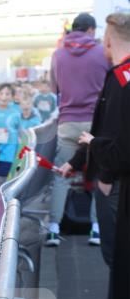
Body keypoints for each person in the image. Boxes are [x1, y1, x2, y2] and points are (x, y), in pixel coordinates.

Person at [61, 12, 130, 299]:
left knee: (119, 253)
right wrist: (79, 159)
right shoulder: (119, 76)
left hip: (116, 181)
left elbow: (114, 137)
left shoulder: (121, 78)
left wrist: (103, 173)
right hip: (117, 176)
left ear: (108, 40)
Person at [46, 12, 108, 246]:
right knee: (102, 171)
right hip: (96, 122)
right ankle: (96, 228)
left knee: (63, 174)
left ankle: (53, 228)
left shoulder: (58, 53)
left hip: (68, 122)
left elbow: (54, 87)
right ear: (91, 30)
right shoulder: (103, 52)